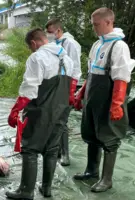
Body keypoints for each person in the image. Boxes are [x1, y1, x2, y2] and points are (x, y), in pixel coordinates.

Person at [73, 7, 135, 193]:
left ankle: (106, 179)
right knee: (91, 132)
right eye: (93, 25)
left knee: (109, 136)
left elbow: (121, 77)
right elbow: (92, 72)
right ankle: (91, 170)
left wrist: (117, 104)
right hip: (93, 95)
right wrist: (81, 94)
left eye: (97, 24)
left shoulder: (119, 46)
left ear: (108, 22)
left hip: (109, 96)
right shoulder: (97, 45)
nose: (94, 28)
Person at [6, 28, 74, 200]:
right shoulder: (67, 59)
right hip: (61, 110)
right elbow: (71, 85)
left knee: (30, 149)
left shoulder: (37, 58)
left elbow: (29, 89)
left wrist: (15, 111)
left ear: (34, 43)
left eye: (31, 47)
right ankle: (46, 188)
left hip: (40, 110)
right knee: (51, 150)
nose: (31, 50)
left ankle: (26, 191)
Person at [45, 18, 82, 166]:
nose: (48, 35)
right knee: (53, 118)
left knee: (62, 120)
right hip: (55, 82)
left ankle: (65, 154)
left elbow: (76, 68)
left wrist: (71, 89)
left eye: (50, 32)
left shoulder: (71, 44)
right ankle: (57, 150)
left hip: (66, 84)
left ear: (58, 31)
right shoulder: (54, 44)